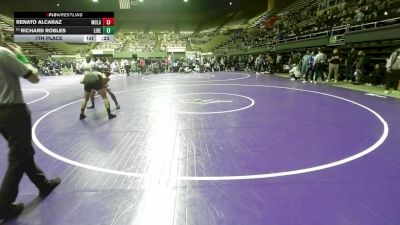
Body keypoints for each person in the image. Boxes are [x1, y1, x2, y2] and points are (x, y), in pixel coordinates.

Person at [0, 29, 61, 221]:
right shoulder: (3, 53)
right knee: (18, 156)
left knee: (23, 152)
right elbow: (34, 77)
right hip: (12, 111)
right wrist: (20, 55)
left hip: (2, 114)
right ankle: (3, 206)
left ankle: (43, 185)